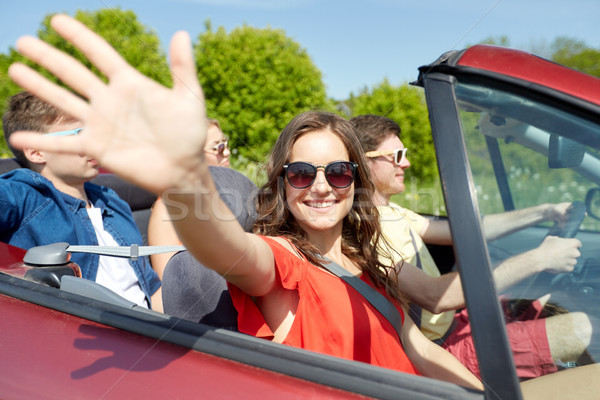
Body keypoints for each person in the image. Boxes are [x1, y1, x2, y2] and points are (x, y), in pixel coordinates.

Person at [7, 15, 483, 389]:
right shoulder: (282, 261)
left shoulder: (369, 260)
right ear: (282, 184)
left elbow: (418, 348)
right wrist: (185, 179)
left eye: (337, 172)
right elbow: (225, 248)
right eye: (301, 173)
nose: (320, 186)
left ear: (356, 181)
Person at [350, 113, 593, 379]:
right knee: (580, 327)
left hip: (460, 321)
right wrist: (539, 259)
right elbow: (435, 297)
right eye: (396, 156)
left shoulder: (393, 211)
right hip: (443, 347)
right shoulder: (366, 232)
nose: (406, 163)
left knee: (553, 305)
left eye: (403, 153)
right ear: (364, 161)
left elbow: (469, 230)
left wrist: (546, 211)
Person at [0, 91, 161, 310]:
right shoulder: (23, 195)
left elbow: (151, 289)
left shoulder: (112, 203)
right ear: (37, 151)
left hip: (151, 332)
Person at [147, 118, 229, 278]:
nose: (226, 152)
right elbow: (169, 283)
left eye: (225, 144)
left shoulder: (226, 196)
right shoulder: (167, 209)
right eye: (218, 147)